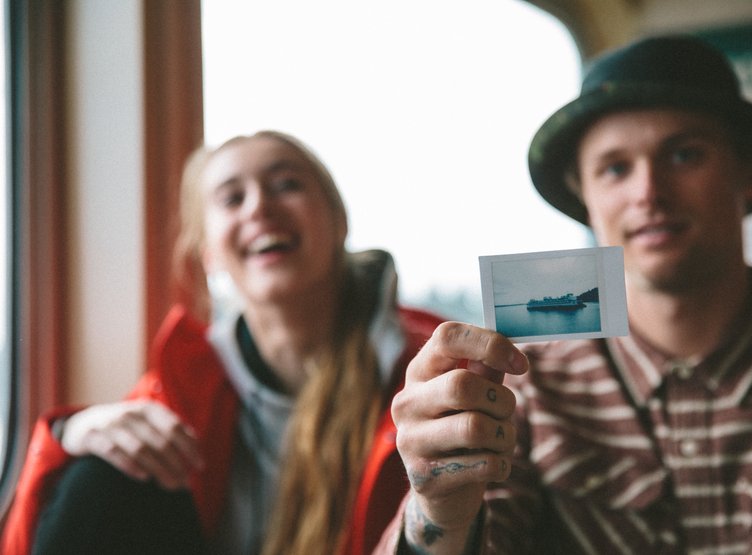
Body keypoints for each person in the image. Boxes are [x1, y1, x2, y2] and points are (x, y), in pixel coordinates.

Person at [375, 34, 752, 554]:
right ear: (584, 197)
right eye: (615, 168)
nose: (649, 192)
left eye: (684, 155)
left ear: (747, 173)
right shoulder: (520, 392)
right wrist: (438, 512)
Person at [1, 130, 444, 555]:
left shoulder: (428, 376)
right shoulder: (181, 390)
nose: (259, 207)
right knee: (102, 474)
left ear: (339, 222)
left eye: (287, 184)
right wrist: (66, 436)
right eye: (232, 198)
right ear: (208, 252)